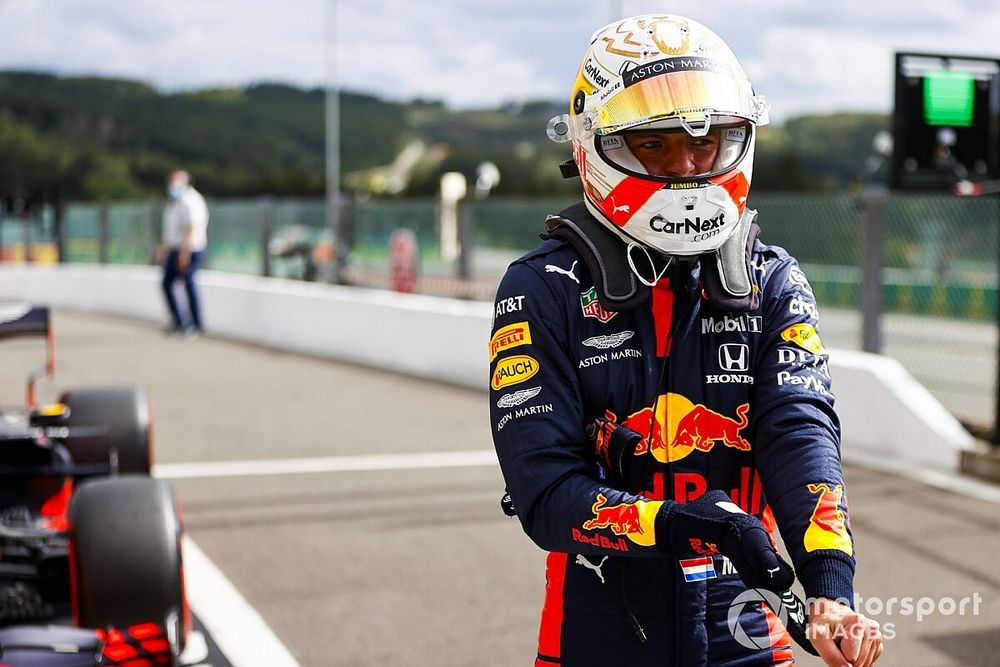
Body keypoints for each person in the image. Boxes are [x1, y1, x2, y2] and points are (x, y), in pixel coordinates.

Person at [488, 14, 883, 667]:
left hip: (749, 625)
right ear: (592, 145)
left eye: (708, 143)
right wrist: (680, 523)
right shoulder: (541, 288)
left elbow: (799, 433)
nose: (688, 167)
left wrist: (829, 589)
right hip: (597, 629)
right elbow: (543, 490)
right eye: (655, 145)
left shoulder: (771, 278)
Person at [159, 169, 209, 337]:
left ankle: (196, 325)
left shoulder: (191, 200)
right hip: (176, 249)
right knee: (167, 283)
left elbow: (191, 228)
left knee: (189, 283)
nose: (172, 185)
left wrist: (184, 252)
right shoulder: (174, 202)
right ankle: (179, 321)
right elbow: (171, 230)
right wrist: (164, 248)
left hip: (189, 249)